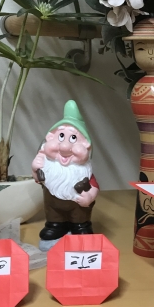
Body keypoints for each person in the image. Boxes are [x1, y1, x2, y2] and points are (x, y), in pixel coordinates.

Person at [32, 100, 99, 244]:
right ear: (50, 138)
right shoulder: (48, 165)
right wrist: (35, 170)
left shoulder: (83, 171)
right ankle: (55, 224)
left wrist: (89, 197)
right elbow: (38, 180)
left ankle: (80, 225)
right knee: (53, 213)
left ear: (86, 145)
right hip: (53, 206)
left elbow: (94, 186)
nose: (64, 146)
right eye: (61, 136)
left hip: (78, 207)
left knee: (80, 216)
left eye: (73, 138)